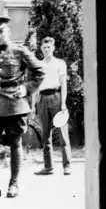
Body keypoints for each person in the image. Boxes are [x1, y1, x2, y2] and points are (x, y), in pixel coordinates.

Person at [0, 15, 44, 199]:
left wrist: (26, 88)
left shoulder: (20, 51)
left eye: (1, 31)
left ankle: (13, 184)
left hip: (15, 104)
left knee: (14, 143)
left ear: (8, 31)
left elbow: (39, 71)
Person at [34, 35, 72, 176]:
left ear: (53, 48)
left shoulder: (60, 63)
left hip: (56, 97)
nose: (46, 49)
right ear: (41, 49)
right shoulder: (39, 64)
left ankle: (67, 166)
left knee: (63, 134)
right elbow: (36, 87)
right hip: (43, 99)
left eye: (49, 47)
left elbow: (64, 85)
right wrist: (34, 106)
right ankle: (48, 167)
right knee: (45, 135)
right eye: (44, 47)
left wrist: (63, 104)